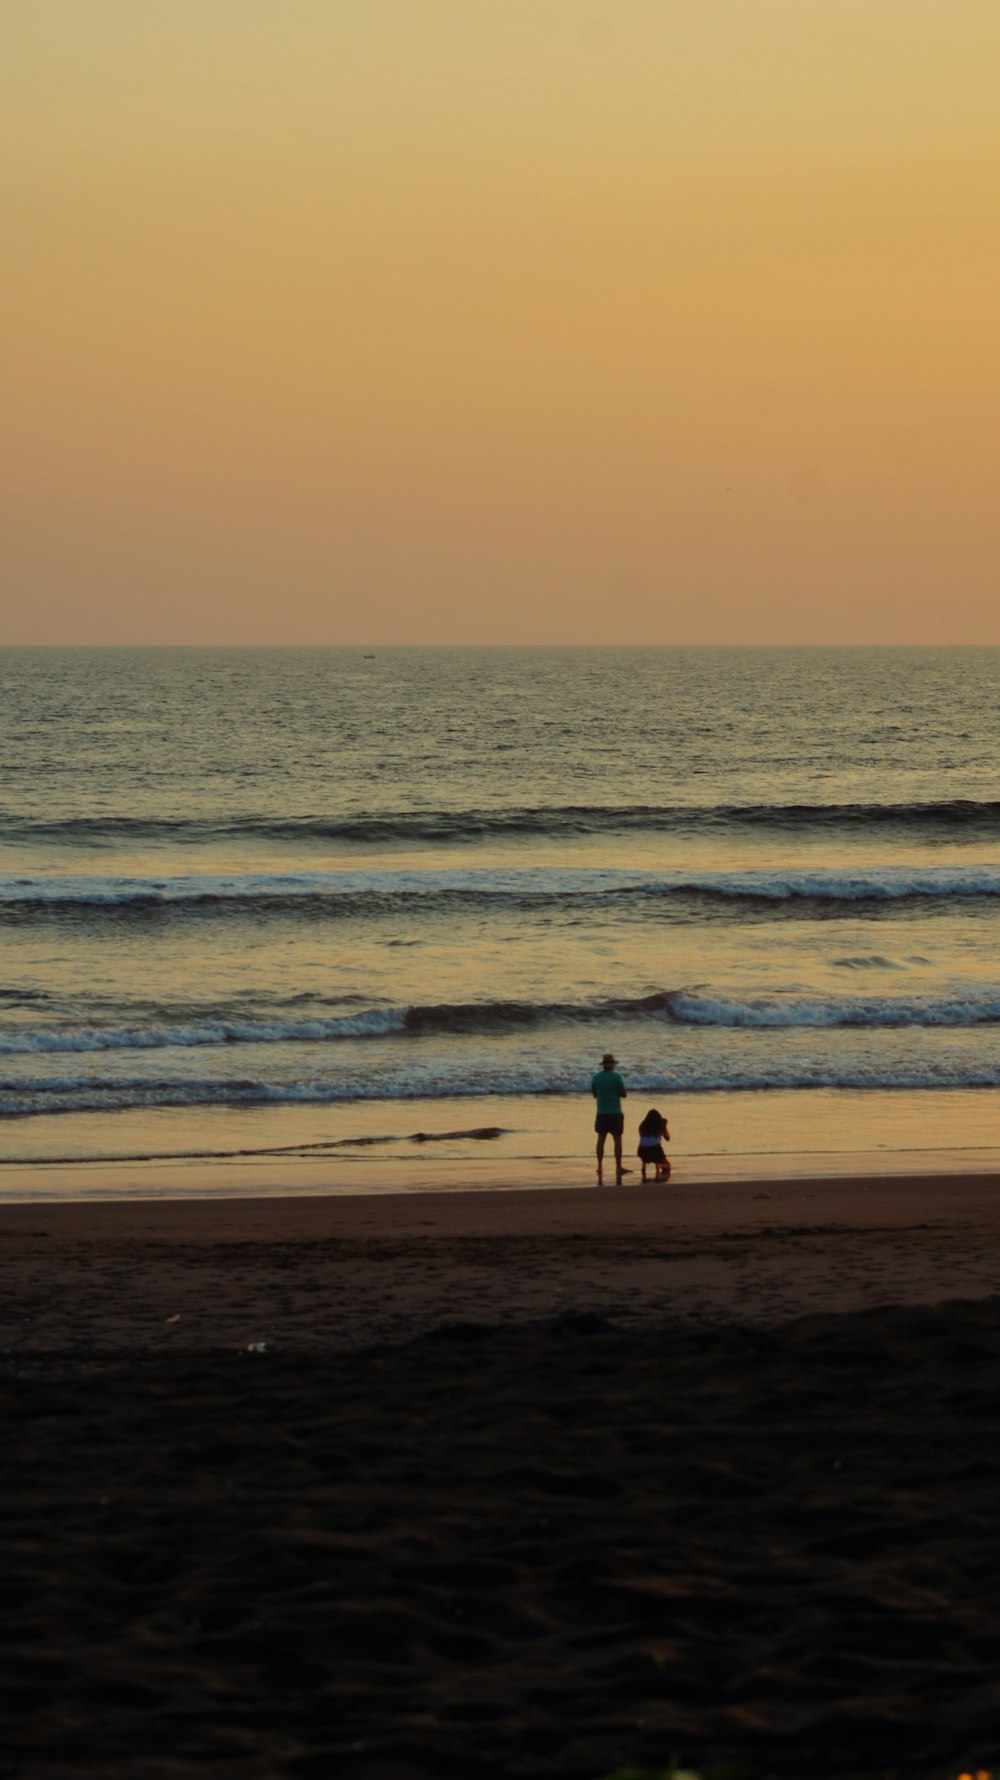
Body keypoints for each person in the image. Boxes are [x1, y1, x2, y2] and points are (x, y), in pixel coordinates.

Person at [591, 1051, 628, 1184]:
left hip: (601, 1112)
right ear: (612, 1065)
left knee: (601, 1139)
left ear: (603, 1065)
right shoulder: (617, 1077)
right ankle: (618, 1166)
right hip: (615, 1112)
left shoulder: (596, 1078)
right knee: (617, 1140)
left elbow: (595, 1094)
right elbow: (624, 1094)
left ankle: (599, 1166)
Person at [637, 1107, 671, 1182]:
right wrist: (665, 1126)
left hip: (641, 1150)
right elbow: (667, 1138)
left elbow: (643, 1139)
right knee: (668, 1166)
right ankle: (659, 1167)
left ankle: (644, 1167)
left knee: (648, 1149)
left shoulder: (642, 1126)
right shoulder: (659, 1125)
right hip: (655, 1149)